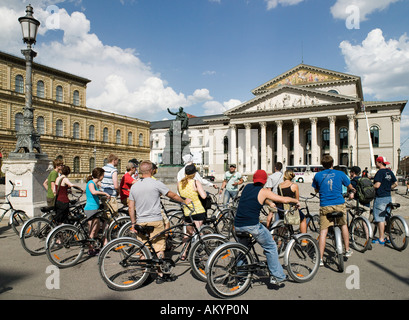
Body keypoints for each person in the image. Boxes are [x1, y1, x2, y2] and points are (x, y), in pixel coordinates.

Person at [128, 160, 191, 283]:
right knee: (159, 249)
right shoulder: (156, 183)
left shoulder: (134, 186)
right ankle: (160, 275)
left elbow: (131, 207)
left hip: (141, 222)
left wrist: (133, 223)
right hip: (156, 221)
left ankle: (144, 276)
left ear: (141, 171)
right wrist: (184, 201)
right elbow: (172, 195)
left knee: (143, 249)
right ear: (151, 171)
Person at [234, 169, 300, 285]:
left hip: (238, 225)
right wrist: (295, 201)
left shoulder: (247, 187)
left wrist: (269, 203)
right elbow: (283, 199)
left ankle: (241, 276)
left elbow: (255, 199)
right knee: (270, 246)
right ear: (264, 181)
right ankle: (277, 276)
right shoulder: (263, 190)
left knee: (243, 250)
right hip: (252, 226)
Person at [312, 155, 355, 266]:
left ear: (322, 165)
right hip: (339, 204)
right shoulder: (340, 174)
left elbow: (316, 190)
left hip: (325, 205)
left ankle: (320, 259)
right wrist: (352, 192)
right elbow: (350, 186)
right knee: (344, 225)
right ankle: (347, 249)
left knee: (323, 231)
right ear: (332, 163)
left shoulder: (318, 175)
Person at [177, 164, 207, 260]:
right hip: (198, 210)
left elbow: (181, 196)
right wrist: (203, 191)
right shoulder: (195, 182)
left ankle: (183, 253)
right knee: (199, 232)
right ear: (194, 173)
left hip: (187, 211)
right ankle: (197, 252)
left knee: (188, 233)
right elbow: (203, 196)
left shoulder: (179, 183)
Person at [268, 169, 307, 234]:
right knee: (303, 219)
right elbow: (297, 199)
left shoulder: (280, 185)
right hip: (290, 209)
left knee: (282, 223)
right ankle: (304, 240)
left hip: (281, 208)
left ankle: (280, 241)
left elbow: (280, 197)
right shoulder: (294, 186)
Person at [84, 167, 111, 256]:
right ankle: (90, 249)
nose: (103, 177)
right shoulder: (91, 183)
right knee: (92, 230)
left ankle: (93, 247)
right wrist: (104, 193)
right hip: (91, 209)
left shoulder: (94, 183)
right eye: (102, 175)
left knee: (95, 230)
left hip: (94, 208)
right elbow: (93, 192)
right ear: (99, 175)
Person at [372, 156, 398, 245]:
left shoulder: (380, 172)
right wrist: (388, 188)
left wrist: (371, 186)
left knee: (380, 219)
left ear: (379, 163)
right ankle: (388, 237)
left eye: (376, 162)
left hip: (380, 198)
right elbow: (396, 183)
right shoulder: (389, 172)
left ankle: (381, 238)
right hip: (388, 197)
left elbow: (377, 185)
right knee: (387, 217)